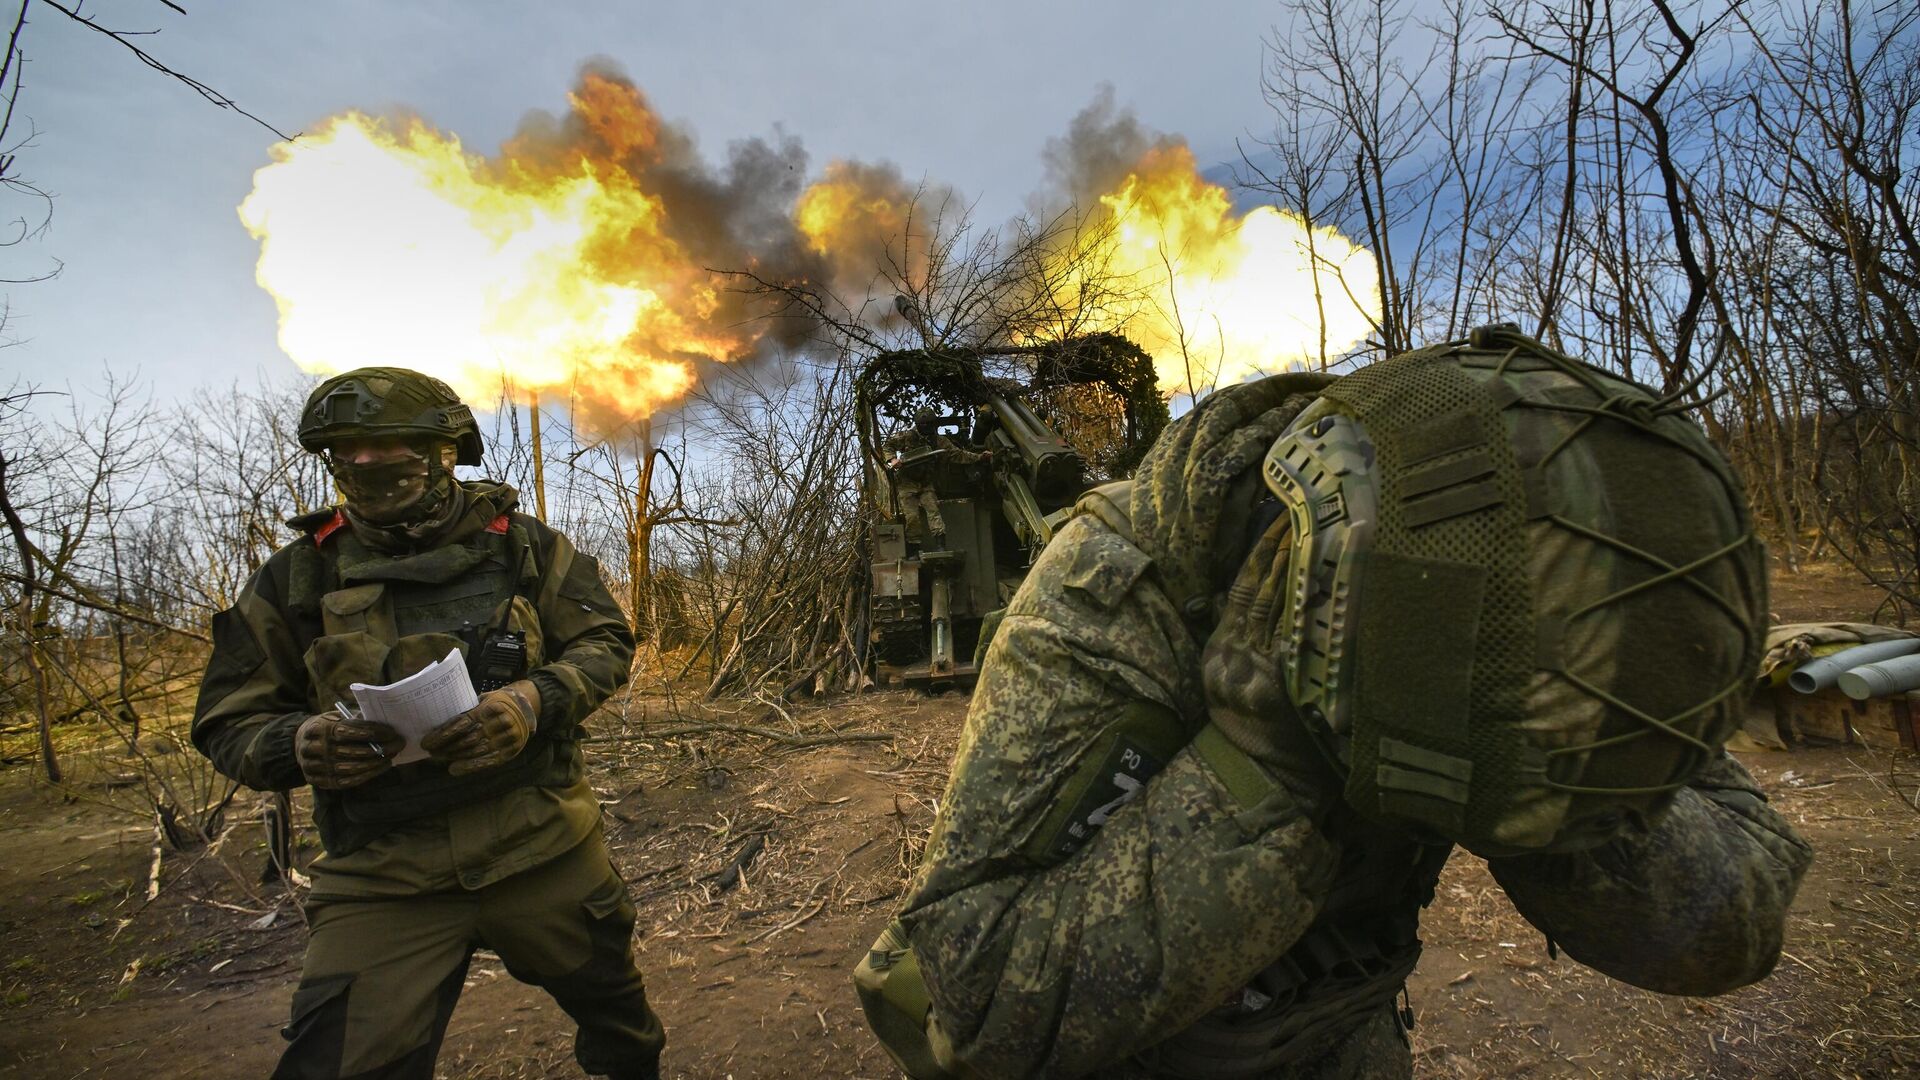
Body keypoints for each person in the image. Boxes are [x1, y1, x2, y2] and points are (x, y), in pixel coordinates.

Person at [854, 326, 1814, 1079]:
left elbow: (1728, 927)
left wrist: (1540, 782)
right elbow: (962, 1004)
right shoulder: (1119, 591)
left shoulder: (1541, 571)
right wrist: (1264, 764)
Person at [191, 367, 664, 1080]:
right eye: (347, 455)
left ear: (445, 455)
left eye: (391, 453)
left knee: (621, 1024)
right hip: (383, 876)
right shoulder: (297, 578)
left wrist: (531, 702)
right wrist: (300, 744)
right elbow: (226, 719)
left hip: (539, 845)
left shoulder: (523, 547)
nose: (367, 468)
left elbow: (605, 642)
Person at [883, 407, 989, 547]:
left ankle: (940, 544)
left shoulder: (939, 441)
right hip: (906, 482)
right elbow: (888, 446)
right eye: (923, 425)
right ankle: (914, 546)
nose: (926, 427)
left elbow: (957, 454)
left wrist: (980, 457)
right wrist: (892, 460)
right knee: (912, 516)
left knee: (933, 510)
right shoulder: (906, 436)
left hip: (926, 482)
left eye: (929, 424)